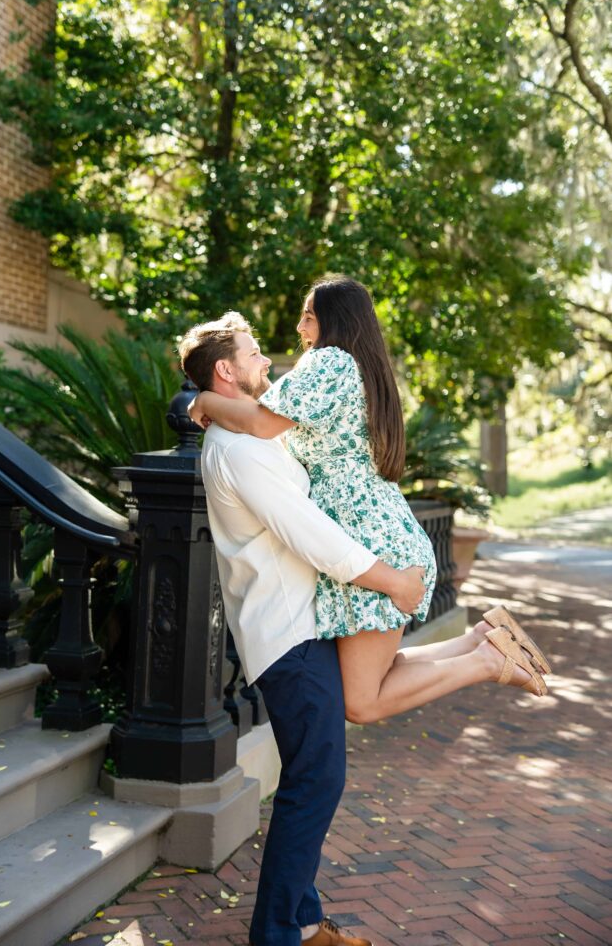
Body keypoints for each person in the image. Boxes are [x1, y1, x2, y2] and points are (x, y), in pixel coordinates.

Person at [189, 276, 551, 726]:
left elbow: (261, 424)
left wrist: (202, 398)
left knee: (361, 701)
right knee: (376, 678)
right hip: (375, 532)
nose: (300, 329)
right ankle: (483, 638)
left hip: (370, 541)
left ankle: (486, 662)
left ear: (333, 321)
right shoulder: (351, 365)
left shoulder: (329, 362)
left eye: (308, 317)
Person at [179, 311, 430, 946]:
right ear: (227, 370)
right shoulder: (238, 450)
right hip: (286, 637)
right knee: (315, 782)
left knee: (312, 778)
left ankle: (305, 922)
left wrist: (198, 401)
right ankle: (278, 935)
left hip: (301, 627)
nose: (270, 361)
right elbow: (309, 533)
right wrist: (391, 580)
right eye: (255, 353)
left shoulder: (252, 437)